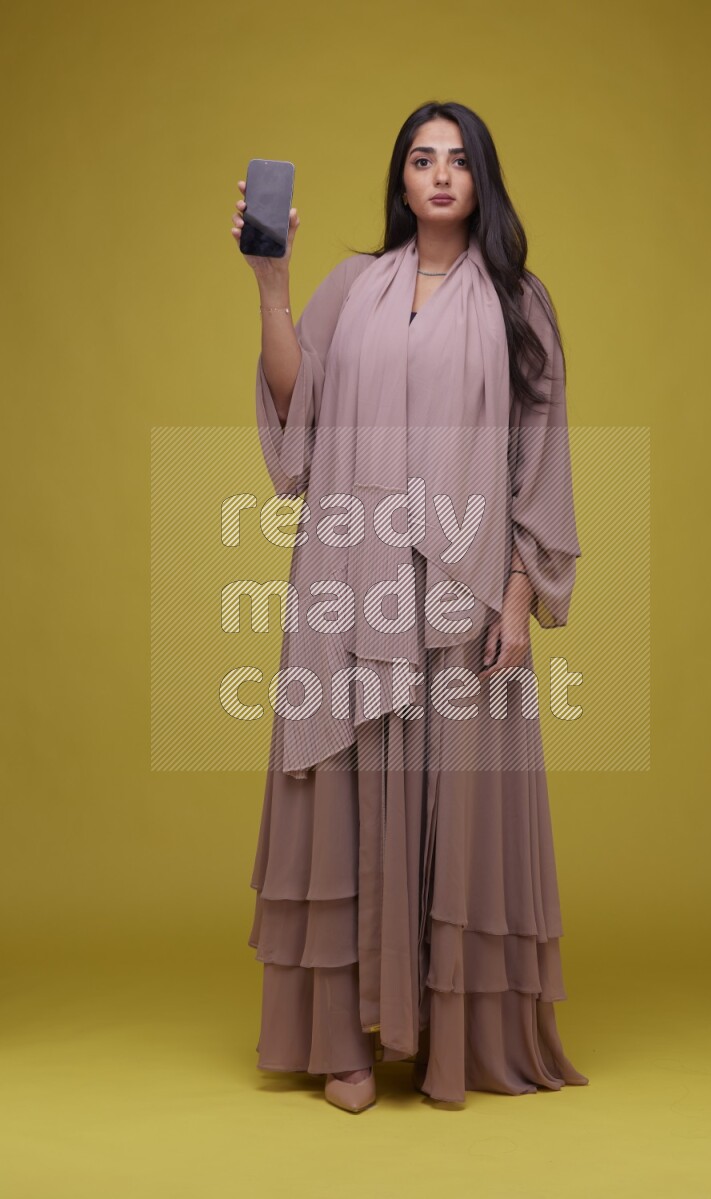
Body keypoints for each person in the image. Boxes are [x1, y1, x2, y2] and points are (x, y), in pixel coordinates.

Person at [232, 100, 589, 1113]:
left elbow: (538, 458)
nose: (439, 175)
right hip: (348, 584)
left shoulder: (520, 303)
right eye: (421, 159)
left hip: (463, 588)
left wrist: (518, 597)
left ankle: (448, 1039)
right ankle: (343, 1040)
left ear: (482, 179)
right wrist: (271, 284)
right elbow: (296, 406)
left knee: (456, 801)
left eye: (458, 160)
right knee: (343, 795)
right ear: (400, 180)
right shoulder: (353, 286)